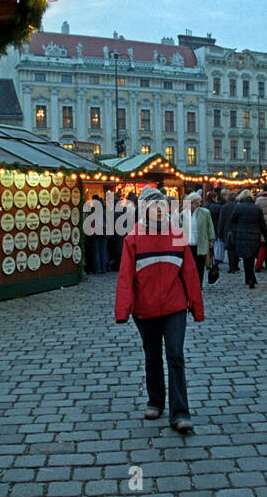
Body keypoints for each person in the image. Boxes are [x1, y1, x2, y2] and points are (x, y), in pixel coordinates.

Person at [115, 186, 204, 434]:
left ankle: (181, 412)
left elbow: (190, 275)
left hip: (175, 307)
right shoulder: (132, 238)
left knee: (175, 355)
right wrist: (123, 310)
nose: (158, 210)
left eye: (161, 206)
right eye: (153, 206)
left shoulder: (177, 236)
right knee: (152, 355)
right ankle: (155, 400)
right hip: (146, 309)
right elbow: (125, 278)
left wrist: (196, 307)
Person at [226, 189, 267, 289]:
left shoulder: (238, 207)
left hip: (241, 235)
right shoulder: (257, 208)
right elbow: (263, 224)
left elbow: (232, 220)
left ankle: (249, 278)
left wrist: (235, 230)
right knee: (251, 257)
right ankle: (251, 278)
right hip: (254, 235)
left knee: (246, 258)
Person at [184, 191, 216, 286]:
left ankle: (199, 284)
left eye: (191, 203)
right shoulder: (184, 214)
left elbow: (210, 226)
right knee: (189, 265)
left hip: (200, 242)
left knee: (200, 265)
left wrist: (211, 239)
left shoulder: (205, 212)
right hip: (188, 243)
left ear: (196, 203)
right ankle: (190, 283)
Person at [84, 194, 109, 274]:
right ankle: (104, 268)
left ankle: (98, 269)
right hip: (103, 232)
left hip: (95, 234)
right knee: (103, 251)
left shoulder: (92, 212)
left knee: (96, 252)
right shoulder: (104, 210)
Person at [217, 190, 239, 272]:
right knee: (236, 247)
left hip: (227, 229)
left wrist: (219, 233)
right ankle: (236, 265)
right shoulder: (238, 205)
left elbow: (221, 221)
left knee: (230, 249)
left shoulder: (225, 207)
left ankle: (232, 266)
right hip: (237, 229)